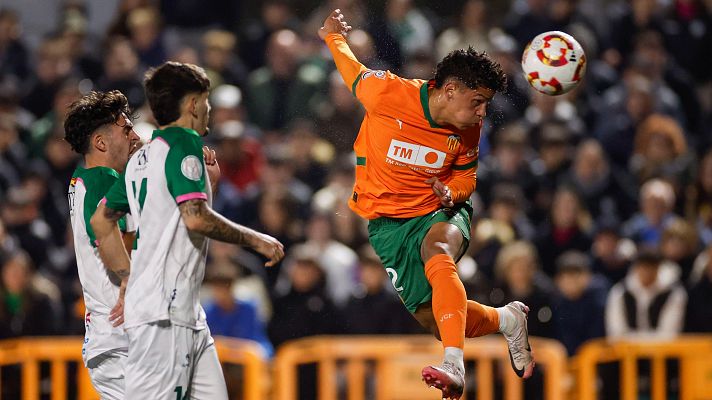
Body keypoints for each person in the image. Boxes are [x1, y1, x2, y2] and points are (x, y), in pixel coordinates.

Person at [319, 10, 534, 399]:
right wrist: (333, 37)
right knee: (438, 319)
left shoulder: (468, 124)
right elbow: (351, 70)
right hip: (387, 223)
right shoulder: (387, 93)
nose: (483, 112)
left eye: (486, 104)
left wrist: (453, 193)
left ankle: (453, 362)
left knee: (437, 249)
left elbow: (467, 175)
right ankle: (507, 319)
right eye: (478, 101)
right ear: (449, 90)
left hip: (439, 211)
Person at [90, 62, 284, 399]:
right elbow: (194, 217)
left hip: (184, 311)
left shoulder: (142, 158)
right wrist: (257, 239)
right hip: (163, 313)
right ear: (193, 104)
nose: (209, 109)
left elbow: (102, 219)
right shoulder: (184, 143)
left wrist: (127, 275)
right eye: (206, 100)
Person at [64, 90, 141, 399]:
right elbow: (117, 238)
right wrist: (128, 280)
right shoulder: (104, 180)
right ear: (101, 142)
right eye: (127, 128)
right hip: (121, 340)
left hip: (114, 340)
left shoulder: (84, 178)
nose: (135, 135)